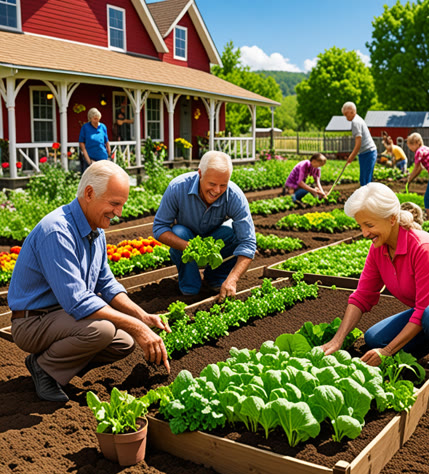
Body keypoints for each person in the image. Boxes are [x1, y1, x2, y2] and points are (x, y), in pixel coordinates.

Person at [8, 161, 170, 403]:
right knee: (102, 330)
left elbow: (106, 283)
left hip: (62, 317)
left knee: (123, 341)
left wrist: (142, 317)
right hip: (33, 321)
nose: (119, 213)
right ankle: (45, 369)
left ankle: (52, 366)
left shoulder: (96, 230)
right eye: (114, 204)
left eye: (122, 205)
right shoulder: (57, 231)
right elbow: (78, 301)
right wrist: (138, 328)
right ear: (90, 193)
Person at [321, 183, 429, 386]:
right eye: (361, 226)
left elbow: (426, 308)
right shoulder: (378, 249)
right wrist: (337, 340)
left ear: (392, 219)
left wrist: (388, 351)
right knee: (374, 339)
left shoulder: (423, 248)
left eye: (369, 225)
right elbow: (362, 295)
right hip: (428, 312)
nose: (364, 233)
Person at [153, 150, 256, 299]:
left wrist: (233, 279)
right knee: (178, 231)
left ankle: (216, 277)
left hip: (214, 238)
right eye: (212, 184)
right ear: (200, 173)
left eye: (223, 185)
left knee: (235, 233)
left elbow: (248, 242)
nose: (217, 190)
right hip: (186, 239)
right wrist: (187, 246)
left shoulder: (235, 196)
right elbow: (159, 228)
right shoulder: (178, 187)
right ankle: (190, 287)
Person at [342, 102, 378, 186]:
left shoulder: (355, 123)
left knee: (365, 181)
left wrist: (351, 157)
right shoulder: (358, 119)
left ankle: (366, 198)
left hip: (368, 152)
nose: (345, 117)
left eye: (346, 114)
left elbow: (358, 143)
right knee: (364, 179)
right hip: (366, 153)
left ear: (352, 111)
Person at [79, 108, 111, 173]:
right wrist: (89, 161)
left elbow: (106, 141)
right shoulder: (85, 127)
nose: (97, 120)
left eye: (98, 118)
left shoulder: (103, 126)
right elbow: (81, 144)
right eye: (95, 119)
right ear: (90, 119)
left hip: (103, 159)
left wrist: (109, 155)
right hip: (91, 159)